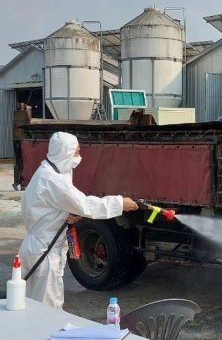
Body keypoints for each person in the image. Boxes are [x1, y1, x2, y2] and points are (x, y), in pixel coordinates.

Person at [18, 131, 138, 308]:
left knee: (30, 304)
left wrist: (65, 216)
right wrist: (120, 203)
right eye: (76, 152)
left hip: (36, 247)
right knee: (47, 309)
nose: (79, 157)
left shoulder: (47, 171)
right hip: (44, 251)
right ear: (65, 153)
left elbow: (50, 208)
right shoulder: (53, 180)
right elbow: (86, 204)